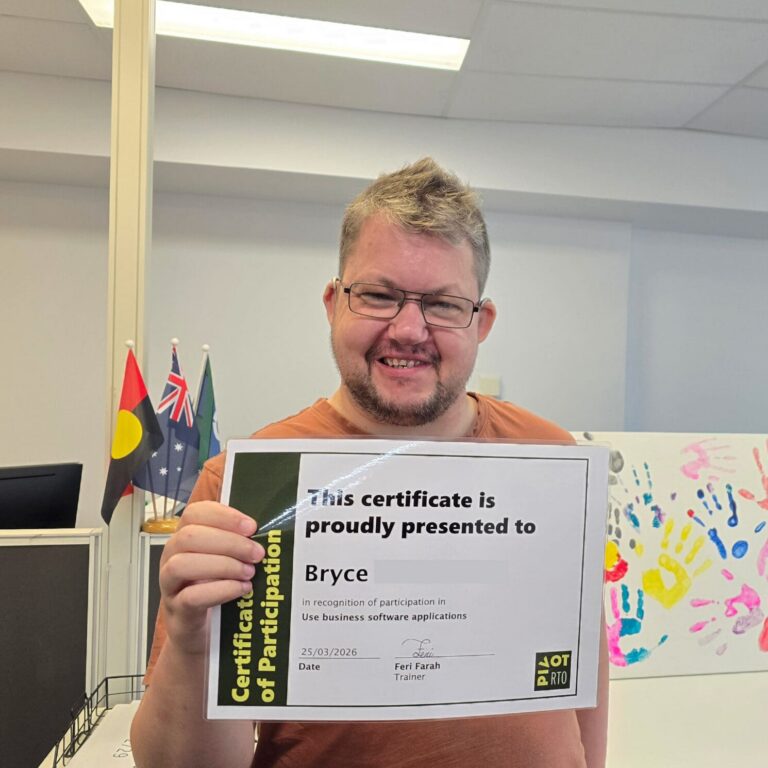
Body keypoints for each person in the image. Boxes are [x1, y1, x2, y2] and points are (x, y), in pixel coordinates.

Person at [131, 157, 609, 768]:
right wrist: (192, 644)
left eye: (443, 304)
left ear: (480, 321)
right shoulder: (245, 489)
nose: (409, 329)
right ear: (334, 303)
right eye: (379, 296)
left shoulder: (552, 461)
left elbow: (584, 683)